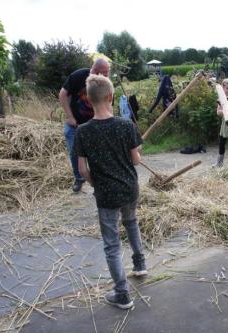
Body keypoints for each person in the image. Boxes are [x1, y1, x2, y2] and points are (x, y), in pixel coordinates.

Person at [74, 74, 147, 309]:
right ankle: (139, 264)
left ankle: (122, 294)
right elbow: (136, 160)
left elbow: (82, 170)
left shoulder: (83, 131)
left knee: (112, 244)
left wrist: (96, 183)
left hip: (106, 194)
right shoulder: (126, 125)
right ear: (111, 96)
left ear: (88, 99)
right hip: (129, 188)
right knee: (131, 222)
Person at [58, 58, 110, 192]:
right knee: (74, 152)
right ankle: (79, 178)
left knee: (98, 151)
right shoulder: (79, 76)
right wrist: (69, 116)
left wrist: (110, 122)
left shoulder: (105, 83)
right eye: (105, 73)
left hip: (95, 123)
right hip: (75, 124)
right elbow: (63, 95)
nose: (107, 76)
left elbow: (109, 104)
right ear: (96, 71)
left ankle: (100, 179)